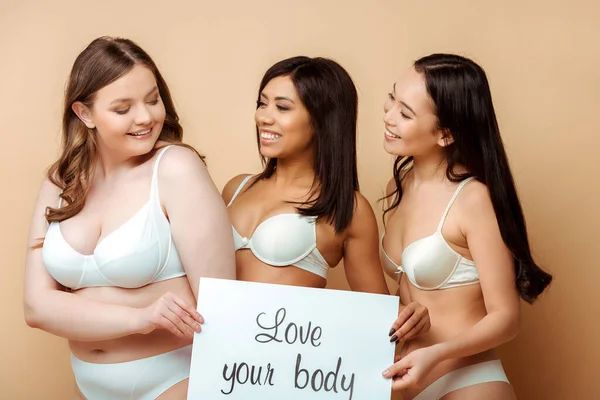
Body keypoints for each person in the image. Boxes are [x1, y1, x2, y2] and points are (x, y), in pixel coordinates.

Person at [23, 36, 235, 399]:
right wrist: (140, 317)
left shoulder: (176, 170)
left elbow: (222, 306)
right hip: (88, 384)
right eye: (123, 108)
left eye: (153, 100)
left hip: (173, 379)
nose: (146, 117)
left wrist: (84, 310)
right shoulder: (61, 182)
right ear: (84, 113)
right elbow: (36, 306)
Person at [222, 56, 431, 347]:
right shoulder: (235, 188)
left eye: (282, 107)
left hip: (279, 371)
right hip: (221, 363)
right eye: (262, 103)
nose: (263, 117)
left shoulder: (346, 209)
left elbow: (377, 312)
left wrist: (412, 317)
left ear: (321, 120)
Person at [379, 53, 553, 399]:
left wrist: (435, 353)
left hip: (468, 383)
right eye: (392, 99)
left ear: (446, 134)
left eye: (405, 112)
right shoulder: (398, 187)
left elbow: (506, 317)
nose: (388, 116)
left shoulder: (473, 200)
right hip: (405, 385)